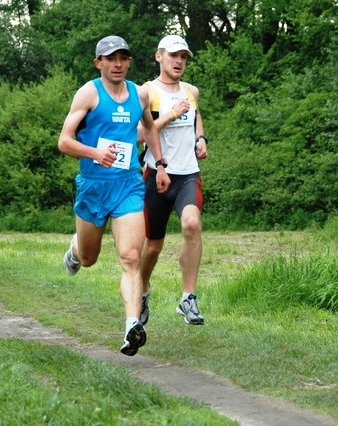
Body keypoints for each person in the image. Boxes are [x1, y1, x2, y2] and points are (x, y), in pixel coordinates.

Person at [58, 35, 170, 356]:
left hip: (128, 184)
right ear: (99, 63)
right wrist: (95, 152)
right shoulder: (89, 93)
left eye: (123, 58)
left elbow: (149, 128)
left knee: (131, 258)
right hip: (94, 185)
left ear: (129, 61)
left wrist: (159, 164)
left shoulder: (140, 94)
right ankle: (75, 250)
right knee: (89, 258)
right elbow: (64, 141)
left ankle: (132, 326)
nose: (117, 64)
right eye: (110, 58)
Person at [138, 35, 208, 326]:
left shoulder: (191, 91)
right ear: (159, 57)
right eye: (173, 56)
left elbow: (196, 115)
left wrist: (200, 137)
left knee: (191, 224)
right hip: (156, 175)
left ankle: (188, 298)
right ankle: (141, 291)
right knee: (152, 246)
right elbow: (140, 135)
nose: (179, 62)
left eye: (184, 57)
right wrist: (170, 114)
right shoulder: (146, 92)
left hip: (188, 174)